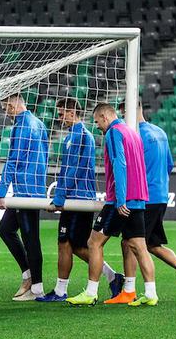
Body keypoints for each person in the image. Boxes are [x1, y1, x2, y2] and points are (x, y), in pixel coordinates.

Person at [67, 103, 157, 306]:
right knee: (139, 246)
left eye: (97, 121)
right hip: (139, 198)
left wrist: (121, 198)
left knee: (93, 242)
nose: (97, 126)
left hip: (120, 200)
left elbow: (120, 163)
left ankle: (91, 292)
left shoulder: (114, 133)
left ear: (105, 116)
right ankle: (151, 294)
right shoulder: (133, 133)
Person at [38, 99, 124, 303]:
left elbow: (73, 170)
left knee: (73, 245)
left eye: (61, 113)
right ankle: (109, 277)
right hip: (72, 198)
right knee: (68, 244)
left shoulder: (81, 136)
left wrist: (58, 196)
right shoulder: (73, 136)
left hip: (79, 199)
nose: (59, 118)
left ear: (71, 112)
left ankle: (105, 279)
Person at [120, 102, 176, 301]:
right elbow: (169, 164)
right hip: (160, 194)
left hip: (144, 197)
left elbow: (129, 167)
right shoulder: (160, 133)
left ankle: (131, 290)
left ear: (127, 111)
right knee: (152, 244)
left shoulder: (134, 135)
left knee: (131, 241)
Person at [0, 93, 49, 301]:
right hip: (30, 188)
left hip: (26, 191)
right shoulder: (38, 123)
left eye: (6, 106)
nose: (6, 110)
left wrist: (0, 192)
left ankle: (37, 288)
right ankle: (28, 276)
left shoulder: (23, 126)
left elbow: (13, 160)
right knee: (6, 229)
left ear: (15, 102)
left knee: (30, 239)